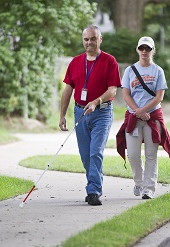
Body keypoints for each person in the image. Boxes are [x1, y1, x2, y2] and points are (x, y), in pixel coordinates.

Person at [59, 25, 121, 206]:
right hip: (80, 112)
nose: (89, 42)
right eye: (86, 39)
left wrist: (95, 102)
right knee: (85, 155)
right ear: (83, 41)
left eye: (93, 39)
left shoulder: (110, 61)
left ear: (100, 39)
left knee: (95, 152)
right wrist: (62, 115)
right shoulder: (76, 62)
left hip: (101, 113)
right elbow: (68, 89)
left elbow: (112, 90)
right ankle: (94, 182)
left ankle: (93, 190)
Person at [116, 36, 170, 200]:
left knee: (151, 154)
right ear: (137, 50)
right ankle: (139, 182)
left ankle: (148, 188)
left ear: (152, 51)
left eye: (147, 48)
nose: (144, 51)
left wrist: (143, 110)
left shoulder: (158, 71)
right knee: (133, 154)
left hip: (152, 117)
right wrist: (138, 111)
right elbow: (126, 94)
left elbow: (159, 97)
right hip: (134, 117)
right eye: (141, 48)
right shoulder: (129, 71)